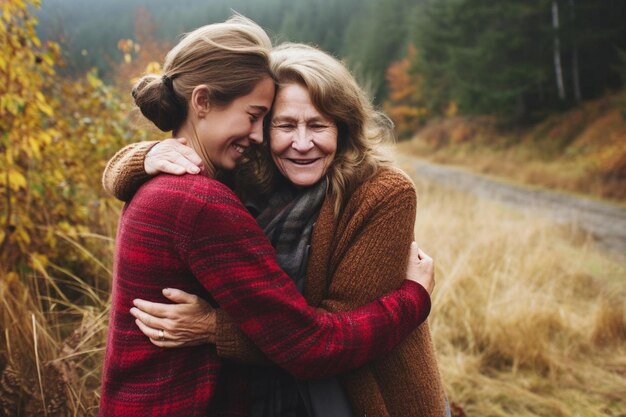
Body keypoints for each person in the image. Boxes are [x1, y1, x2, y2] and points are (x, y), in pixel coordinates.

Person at [99, 17, 436, 417]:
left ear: (343, 127)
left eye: (318, 125)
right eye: (281, 123)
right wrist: (142, 157)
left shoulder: (382, 194)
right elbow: (178, 171)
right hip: (269, 394)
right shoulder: (245, 176)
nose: (302, 143)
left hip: (358, 395)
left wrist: (214, 327)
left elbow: (322, 338)